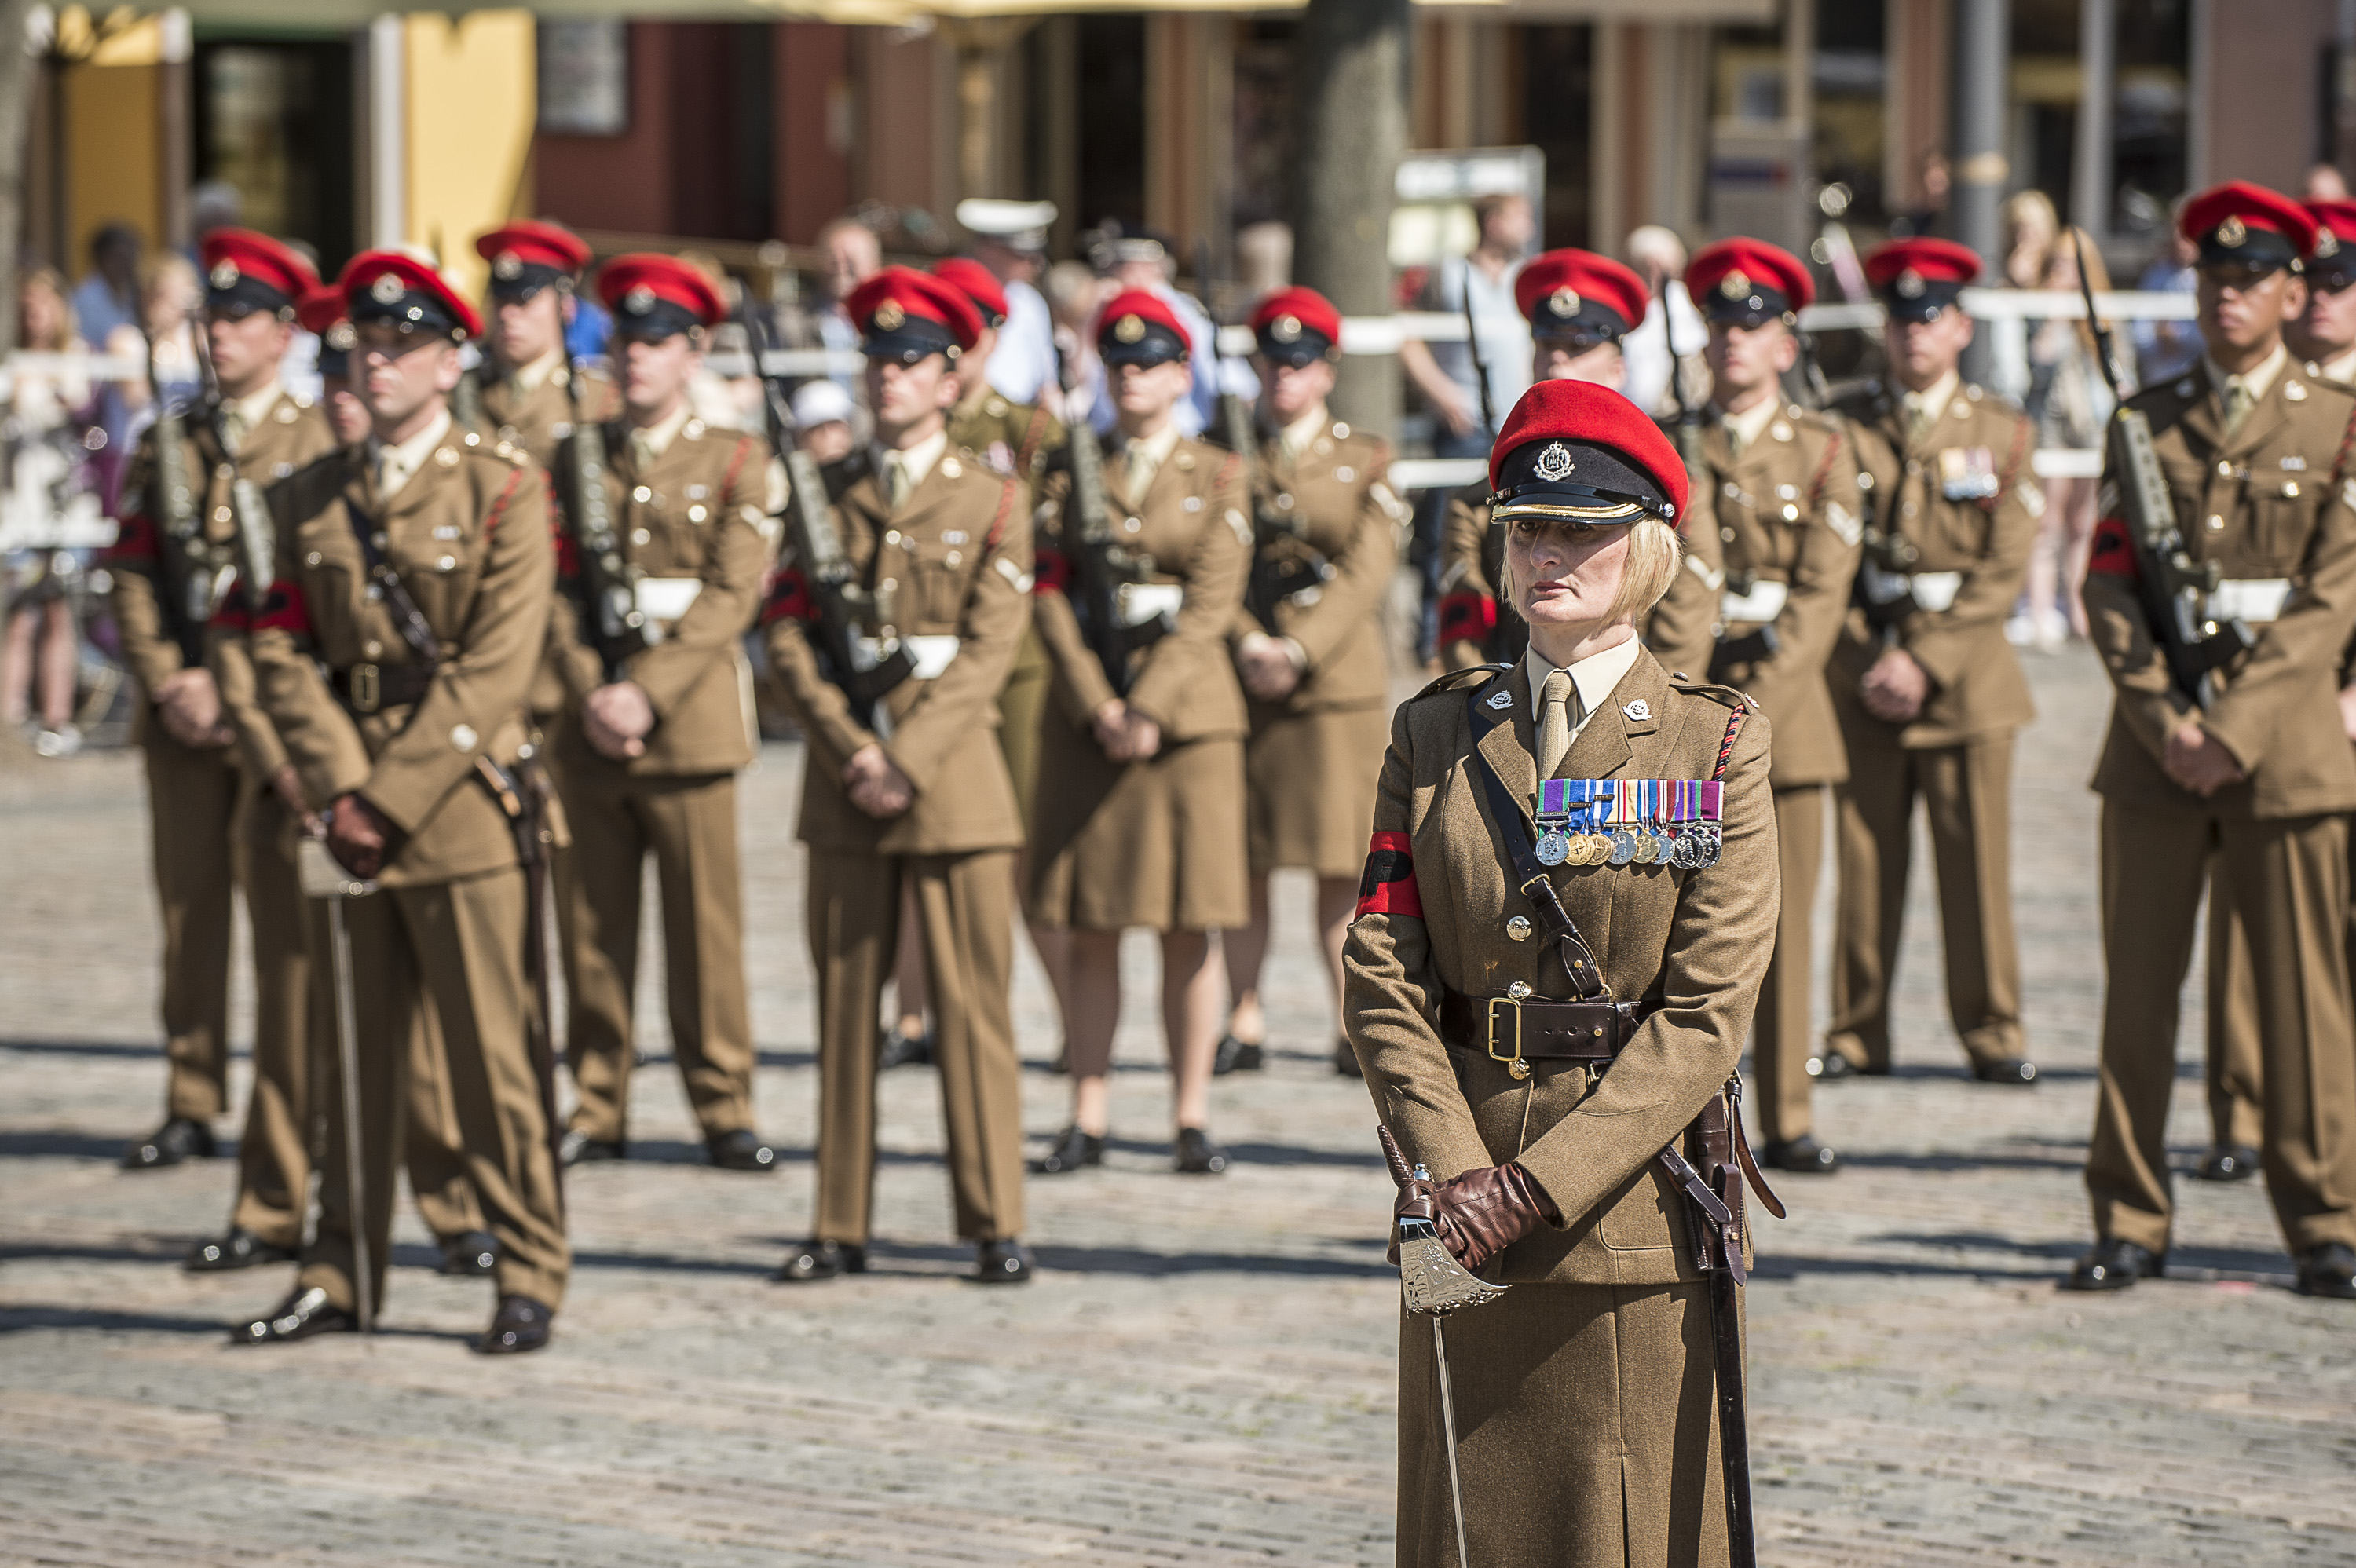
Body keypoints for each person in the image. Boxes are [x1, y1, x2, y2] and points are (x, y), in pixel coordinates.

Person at [1344, 375, 1779, 1568]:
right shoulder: (1435, 733)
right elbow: (1382, 967)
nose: (1550, 554)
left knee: (1619, 1528)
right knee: (1462, 1530)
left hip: (1623, 1210)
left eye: (1583, 528)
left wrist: (1534, 1188)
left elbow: (1704, 1014)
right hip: (1455, 1204)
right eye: (1529, 528)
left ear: (1644, 546)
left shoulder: (1715, 740)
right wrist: (1456, 1171)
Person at [235, 249, 569, 1351]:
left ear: (450, 360)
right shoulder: (306, 494)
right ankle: (343, 1267)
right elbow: (279, 648)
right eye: (364, 348)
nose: (377, 365)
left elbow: (496, 666)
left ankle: (527, 1268)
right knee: (353, 1057)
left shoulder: (504, 485)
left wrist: (390, 795)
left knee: (490, 1061)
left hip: (458, 802)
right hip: (346, 810)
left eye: (401, 348)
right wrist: (341, 789)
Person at [2068, 182, 2356, 1301]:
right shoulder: (2143, 417)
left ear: (2293, 290)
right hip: (2156, 754)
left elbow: (2334, 600)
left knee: (2304, 1001)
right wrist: (2167, 720)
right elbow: (2106, 589)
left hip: (2284, 752)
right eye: (2212, 278)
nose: (2228, 296)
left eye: (2250, 280)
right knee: (2136, 1001)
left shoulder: (2337, 424)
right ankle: (2129, 1215)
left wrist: (2231, 727)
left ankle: (2324, 1218)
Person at [759, 265, 1035, 1283]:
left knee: (973, 1010)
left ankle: (995, 1218)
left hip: (952, 778)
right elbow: (787, 634)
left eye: (910, 362)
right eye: (876, 360)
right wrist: (851, 748)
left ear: (949, 378)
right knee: (844, 1008)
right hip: (847, 777)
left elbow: (989, 648)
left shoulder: (994, 496)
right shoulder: (824, 495)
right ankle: (838, 1221)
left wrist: (905, 756)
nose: (888, 379)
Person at [547, 254, 781, 1172]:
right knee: (592, 930)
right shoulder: (573, 456)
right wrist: (591, 689)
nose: (633, 357)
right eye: (622, 340)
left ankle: (723, 1100)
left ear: (694, 352)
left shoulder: (735, 459)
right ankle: (597, 1100)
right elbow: (549, 591)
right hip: (591, 723)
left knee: (704, 930)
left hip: (688, 725)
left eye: (654, 341)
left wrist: (646, 690)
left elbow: (732, 595)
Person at [102, 234, 328, 1173]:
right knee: (190, 913)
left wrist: (245, 693)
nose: (218, 334)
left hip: (270, 715)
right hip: (186, 710)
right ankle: (191, 1093)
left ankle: (298, 1103)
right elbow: (134, 569)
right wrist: (165, 678)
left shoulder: (318, 440)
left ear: (282, 332)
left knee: (286, 922)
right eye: (210, 317)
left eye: (239, 319)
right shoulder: (171, 437)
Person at [1027, 288, 1249, 1176]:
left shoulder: (1219, 473)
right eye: (1119, 363)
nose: (1133, 377)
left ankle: (1189, 1111)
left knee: (1188, 926)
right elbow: (1047, 591)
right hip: (1092, 722)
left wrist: (1149, 705)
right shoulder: (1066, 472)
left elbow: (1209, 605)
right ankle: (1088, 1107)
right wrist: (1098, 704)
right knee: (1090, 924)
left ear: (1180, 374)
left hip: (1188, 724)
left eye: (1150, 363)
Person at [1821, 237, 2040, 1087]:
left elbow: (2004, 568)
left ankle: (1992, 1027)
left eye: (1932, 316)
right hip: (1865, 671)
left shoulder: (2003, 429)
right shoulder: (1842, 424)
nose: (1915, 331)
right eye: (1902, 316)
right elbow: (1821, 565)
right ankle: (1855, 1029)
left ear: (1960, 326)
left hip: (1966, 679)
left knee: (1976, 866)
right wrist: (1870, 657)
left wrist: (1926, 659)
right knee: (1866, 864)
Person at [868, 256, 1074, 1073]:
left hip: (1012, 663)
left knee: (1013, 847)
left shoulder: (1034, 432)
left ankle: (1056, 1015)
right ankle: (912, 1012)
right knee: (909, 835)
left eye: (975, 326)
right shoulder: (898, 426)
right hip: (908, 663)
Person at [1687, 238, 1864, 1174]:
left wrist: (1745, 712)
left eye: (1751, 326)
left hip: (1783, 718)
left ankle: (1788, 1110)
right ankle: (1683, 1102)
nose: (1732, 341)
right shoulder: (1672, 440)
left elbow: (1822, 594)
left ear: (1787, 344)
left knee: (1785, 921)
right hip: (1680, 705)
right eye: (1720, 323)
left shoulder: (1828, 450)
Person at [1216, 286, 1405, 1079]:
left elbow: (1368, 570)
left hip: (1332, 682)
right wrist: (1249, 639)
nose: (1283, 376)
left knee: (1340, 864)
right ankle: (1242, 1014)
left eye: (1300, 363)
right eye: (1271, 361)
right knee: (1246, 861)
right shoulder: (1225, 453)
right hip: (1242, 671)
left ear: (1326, 370)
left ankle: (1346, 1019)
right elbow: (1206, 564)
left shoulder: (1367, 458)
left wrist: (1296, 648)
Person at [1436, 248, 1722, 683]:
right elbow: (1465, 628)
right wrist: (1488, 712)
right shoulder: (1480, 500)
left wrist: (1650, 718)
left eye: (1578, 346)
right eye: (1547, 345)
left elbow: (1686, 614)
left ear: (1617, 368)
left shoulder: (1658, 485)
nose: (1557, 361)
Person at [1400, 193, 1534, 661]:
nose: (1529, 226)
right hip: (1465, 420)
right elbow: (1409, 336)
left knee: (1509, 527)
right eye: (1520, 217)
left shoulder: (1523, 276)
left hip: (1514, 421)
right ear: (1493, 223)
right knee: (1445, 531)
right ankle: (1435, 634)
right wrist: (1442, 395)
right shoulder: (1451, 274)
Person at [2, 269, 101, 757]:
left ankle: (57, 718)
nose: (34, 315)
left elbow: (83, 410)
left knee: (60, 612)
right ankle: (9, 716)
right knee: (18, 613)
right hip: (18, 501)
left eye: (42, 305)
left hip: (64, 504)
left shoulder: (75, 355)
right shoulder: (10, 357)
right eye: (27, 307)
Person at [2018, 226, 2120, 651]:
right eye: (2056, 263)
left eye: (2071, 264)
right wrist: (2056, 318)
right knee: (2046, 524)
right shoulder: (2041, 310)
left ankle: (2078, 606)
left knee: (2083, 524)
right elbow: (2036, 368)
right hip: (2050, 428)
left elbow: (2118, 369)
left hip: (2091, 429)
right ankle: (2040, 609)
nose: (2064, 272)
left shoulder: (2104, 311)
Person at [954, 199, 1061, 407]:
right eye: (1024, 255)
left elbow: (1046, 378)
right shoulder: (953, 291)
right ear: (989, 250)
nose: (1036, 264)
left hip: (1019, 420)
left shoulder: (1029, 301)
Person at [1619, 224, 1707, 419]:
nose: (1653, 274)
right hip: (1625, 415)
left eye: (1660, 266)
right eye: (1645, 266)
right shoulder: (1623, 306)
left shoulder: (1691, 306)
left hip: (1675, 417)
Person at [71, 222, 143, 356]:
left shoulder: (133, 294)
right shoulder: (85, 299)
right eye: (118, 257)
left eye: (130, 256)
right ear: (100, 257)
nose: (125, 264)